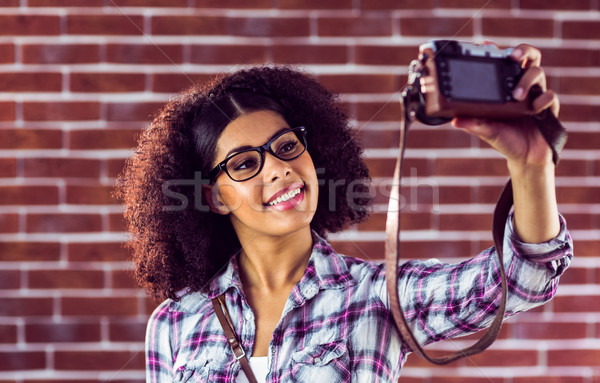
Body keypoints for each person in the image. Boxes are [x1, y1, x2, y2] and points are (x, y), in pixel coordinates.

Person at [116, 44, 573, 383]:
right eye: (244, 163)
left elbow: (522, 279)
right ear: (214, 198)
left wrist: (530, 166)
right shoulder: (174, 323)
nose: (278, 169)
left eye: (287, 147)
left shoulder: (378, 296)